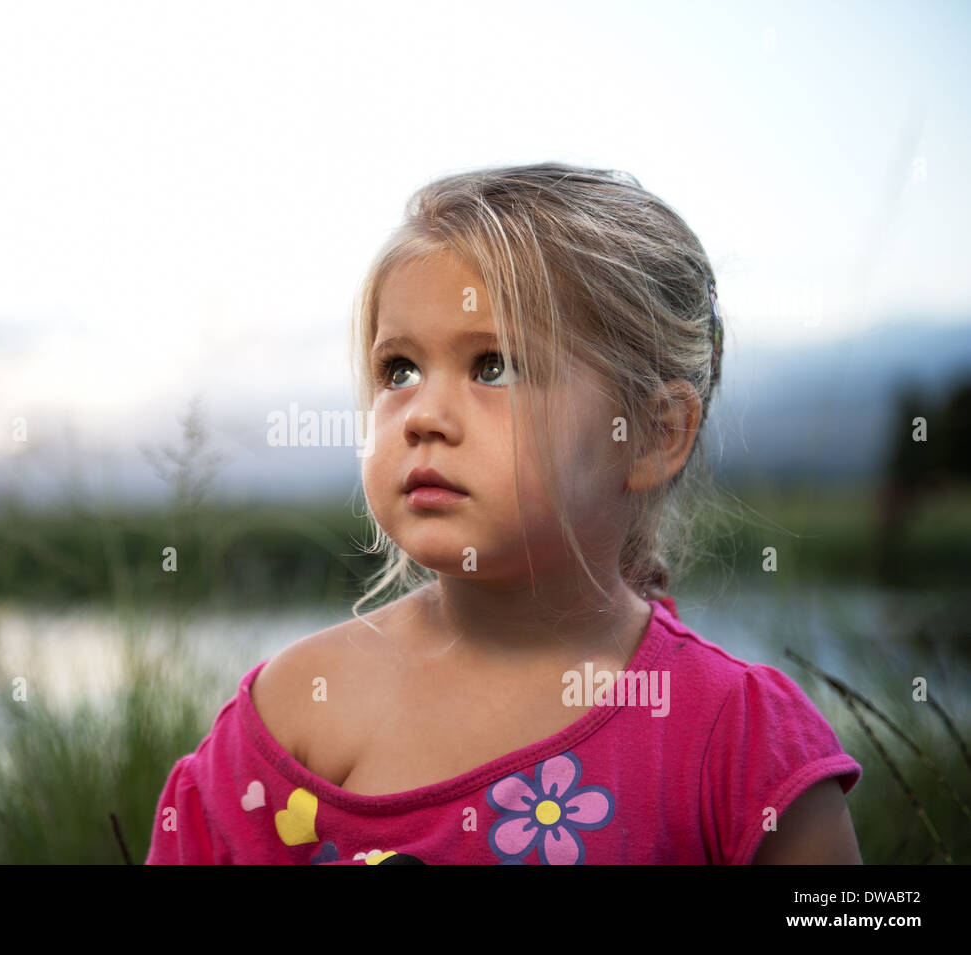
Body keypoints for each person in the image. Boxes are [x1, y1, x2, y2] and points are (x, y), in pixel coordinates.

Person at [144, 162, 863, 864]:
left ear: (653, 434)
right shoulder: (292, 715)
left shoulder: (737, 742)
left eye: (495, 366)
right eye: (399, 370)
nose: (423, 414)